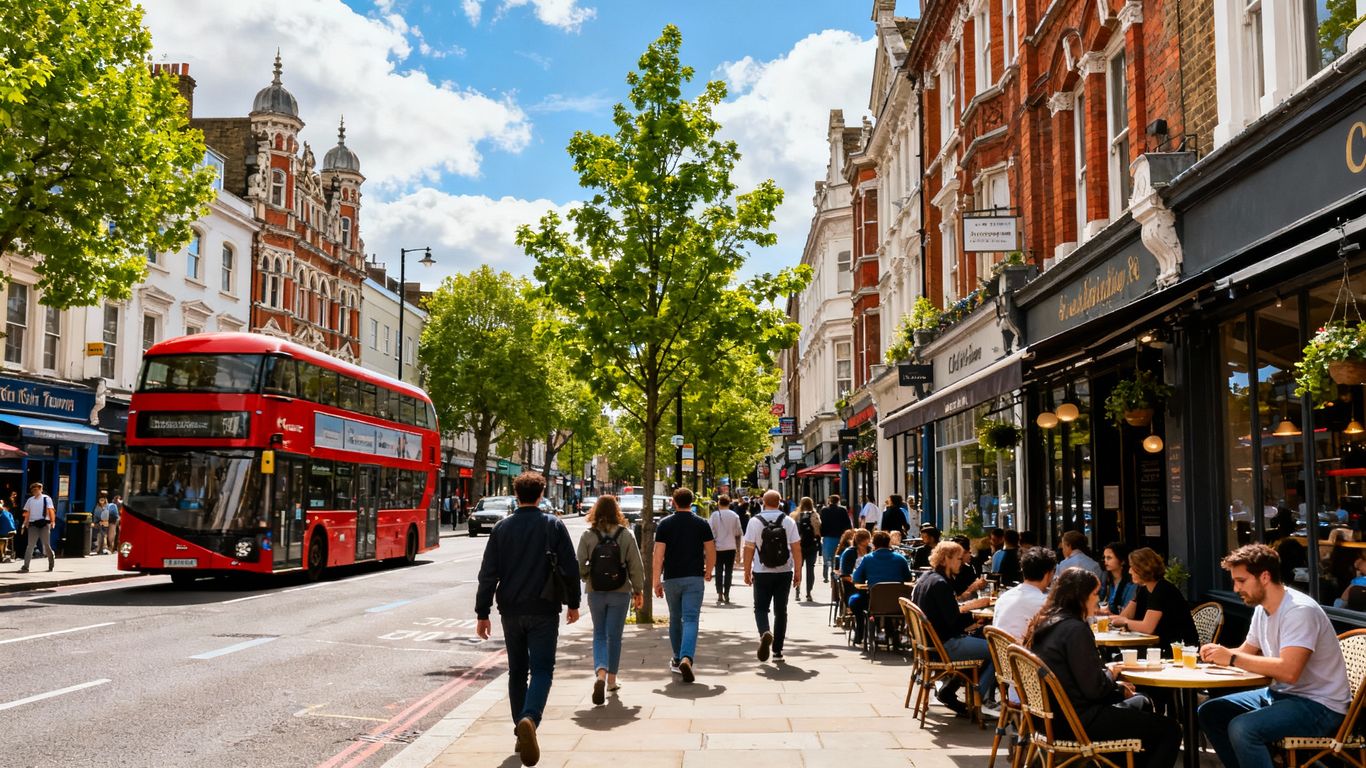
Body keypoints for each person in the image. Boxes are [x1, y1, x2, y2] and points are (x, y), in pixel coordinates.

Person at [1197, 544, 1350, 768]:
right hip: (1282, 695)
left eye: (1241, 580)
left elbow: (1289, 671)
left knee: (1243, 728)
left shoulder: (1299, 611)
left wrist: (1230, 658)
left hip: (1320, 705)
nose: (1235, 588)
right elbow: (1245, 652)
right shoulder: (1262, 608)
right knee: (1210, 711)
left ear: (1265, 577)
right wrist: (1214, 654)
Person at [1023, 568, 1181, 768]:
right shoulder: (1075, 629)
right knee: (1170, 729)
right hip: (1077, 722)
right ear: (1080, 596)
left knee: (1142, 703)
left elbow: (1078, 679)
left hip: (1050, 720)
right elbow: (1094, 690)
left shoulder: (1045, 623)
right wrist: (1113, 677)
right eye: (1095, 594)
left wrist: (1115, 684)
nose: (1097, 600)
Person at [475, 472, 580, 767]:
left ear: (515, 494)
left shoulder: (502, 528)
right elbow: (570, 568)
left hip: (510, 610)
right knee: (543, 669)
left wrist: (482, 613)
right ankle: (529, 718)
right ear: (542, 493)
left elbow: (488, 574)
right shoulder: (553, 525)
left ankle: (520, 731)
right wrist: (574, 603)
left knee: (517, 671)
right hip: (544, 608)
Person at [910, 540, 994, 716]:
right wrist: (972, 613)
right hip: (944, 645)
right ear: (946, 559)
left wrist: (969, 615)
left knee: (980, 639)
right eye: (958, 559)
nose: (961, 563)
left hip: (929, 644)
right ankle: (978, 699)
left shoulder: (926, 578)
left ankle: (949, 690)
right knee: (998, 651)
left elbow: (946, 612)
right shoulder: (941, 584)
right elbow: (953, 621)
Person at [576, 495, 644, 704]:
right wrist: (638, 590)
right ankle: (612, 680)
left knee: (599, 634)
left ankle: (600, 673)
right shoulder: (626, 535)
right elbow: (636, 566)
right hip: (620, 590)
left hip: (595, 592)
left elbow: (579, 564)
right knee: (614, 636)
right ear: (617, 511)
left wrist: (589, 577)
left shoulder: (588, 535)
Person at [653, 487, 715, 683]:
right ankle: (687, 657)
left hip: (672, 578)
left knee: (675, 618)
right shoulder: (701, 524)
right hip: (694, 578)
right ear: (692, 502)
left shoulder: (664, 524)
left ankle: (678, 658)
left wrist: (656, 580)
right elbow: (711, 550)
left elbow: (658, 555)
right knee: (690, 618)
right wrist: (709, 570)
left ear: (673, 501)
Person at [743, 489, 802, 663]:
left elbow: (749, 548)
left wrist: (747, 570)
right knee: (781, 611)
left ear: (763, 502)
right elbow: (796, 548)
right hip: (784, 571)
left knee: (760, 608)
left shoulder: (754, 521)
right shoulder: (789, 521)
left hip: (762, 572)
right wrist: (798, 570)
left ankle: (764, 632)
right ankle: (777, 651)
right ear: (780, 502)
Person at [1111, 547, 1197, 647]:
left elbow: (1147, 627)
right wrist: (1113, 619)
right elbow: (1126, 616)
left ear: (1143, 568)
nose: (1129, 571)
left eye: (1132, 567)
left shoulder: (1162, 589)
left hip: (1178, 648)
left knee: (1119, 658)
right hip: (1156, 645)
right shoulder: (1143, 588)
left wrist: (1125, 622)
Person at [849, 531, 912, 645]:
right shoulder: (900, 559)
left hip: (874, 603)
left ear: (874, 544)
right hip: (897, 604)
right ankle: (892, 631)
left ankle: (860, 634)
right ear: (888, 543)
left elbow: (856, 578)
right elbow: (908, 578)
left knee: (854, 602)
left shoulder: (868, 559)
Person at [992, 546, 1057, 641]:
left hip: (1001, 653)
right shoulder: (1045, 603)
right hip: (1026, 654)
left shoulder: (1004, 597)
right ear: (1048, 574)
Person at [708, 494, 742, 604]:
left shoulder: (714, 516)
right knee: (728, 571)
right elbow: (738, 533)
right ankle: (727, 592)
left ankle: (719, 593)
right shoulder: (734, 516)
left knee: (718, 571)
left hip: (717, 547)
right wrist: (738, 552)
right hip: (730, 547)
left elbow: (710, 533)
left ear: (719, 503)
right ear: (729, 503)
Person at [19, 481, 55, 573]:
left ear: (41, 490)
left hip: (44, 524)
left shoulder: (47, 499)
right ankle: (25, 566)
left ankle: (51, 562)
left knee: (46, 545)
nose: (35, 491)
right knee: (30, 545)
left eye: (37, 489)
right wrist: (25, 522)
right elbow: (27, 512)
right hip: (33, 524)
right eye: (33, 490)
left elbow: (51, 510)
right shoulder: (30, 500)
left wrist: (52, 521)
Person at [818, 493, 851, 584]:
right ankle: (834, 572)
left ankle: (825, 569)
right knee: (836, 555)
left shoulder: (824, 510)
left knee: (827, 555)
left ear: (830, 501)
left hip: (828, 536)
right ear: (838, 501)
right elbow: (847, 523)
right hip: (839, 536)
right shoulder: (842, 510)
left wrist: (821, 533)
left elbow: (821, 523)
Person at [793, 496, 821, 601]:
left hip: (799, 546)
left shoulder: (795, 516)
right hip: (811, 546)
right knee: (810, 569)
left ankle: (797, 591)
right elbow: (818, 530)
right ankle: (809, 593)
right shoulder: (814, 515)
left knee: (798, 568)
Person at [1100, 541, 1137, 615]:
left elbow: (1127, 614)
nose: (1105, 561)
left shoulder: (1132, 583)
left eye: (1109, 558)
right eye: (1104, 557)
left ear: (1122, 561)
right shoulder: (1105, 578)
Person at [0, 498, 15, 563]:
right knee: (4, 539)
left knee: (2, 539)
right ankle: (3, 553)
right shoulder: (8, 513)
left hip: (4, 533)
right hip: (10, 532)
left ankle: (2, 554)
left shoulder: (5, 514)